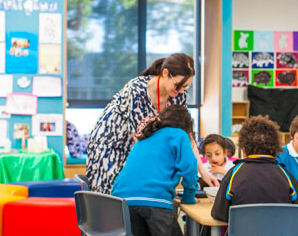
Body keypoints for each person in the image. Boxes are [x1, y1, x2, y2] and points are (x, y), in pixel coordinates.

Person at [86, 53, 218, 194]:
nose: (181, 90)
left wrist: (203, 173)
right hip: (110, 143)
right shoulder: (136, 89)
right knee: (116, 195)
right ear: (165, 73)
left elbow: (187, 135)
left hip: (137, 144)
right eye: (178, 85)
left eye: (186, 87)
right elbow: (141, 139)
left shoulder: (179, 95)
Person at [112, 105, 200, 236]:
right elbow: (190, 168)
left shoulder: (145, 137)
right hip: (155, 201)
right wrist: (189, 196)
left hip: (122, 202)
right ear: (187, 125)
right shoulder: (179, 135)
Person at [211, 115, 298, 222]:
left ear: (244, 149)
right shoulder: (286, 176)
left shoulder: (234, 174)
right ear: (275, 148)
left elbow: (219, 214)